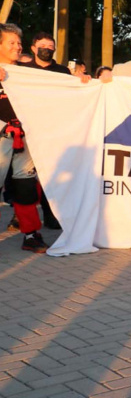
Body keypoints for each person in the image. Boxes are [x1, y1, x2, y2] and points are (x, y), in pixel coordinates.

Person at [0, 23, 51, 253]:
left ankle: (30, 235)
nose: (18, 47)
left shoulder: (26, 73)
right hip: (2, 138)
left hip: (25, 138)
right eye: (11, 42)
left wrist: (84, 80)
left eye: (19, 43)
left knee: (26, 187)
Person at [20, 33, 69, 230]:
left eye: (50, 45)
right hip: (26, 130)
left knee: (52, 175)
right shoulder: (22, 71)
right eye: (42, 45)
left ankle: (52, 215)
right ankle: (21, 217)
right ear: (33, 48)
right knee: (25, 177)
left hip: (54, 129)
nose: (47, 48)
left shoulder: (63, 71)